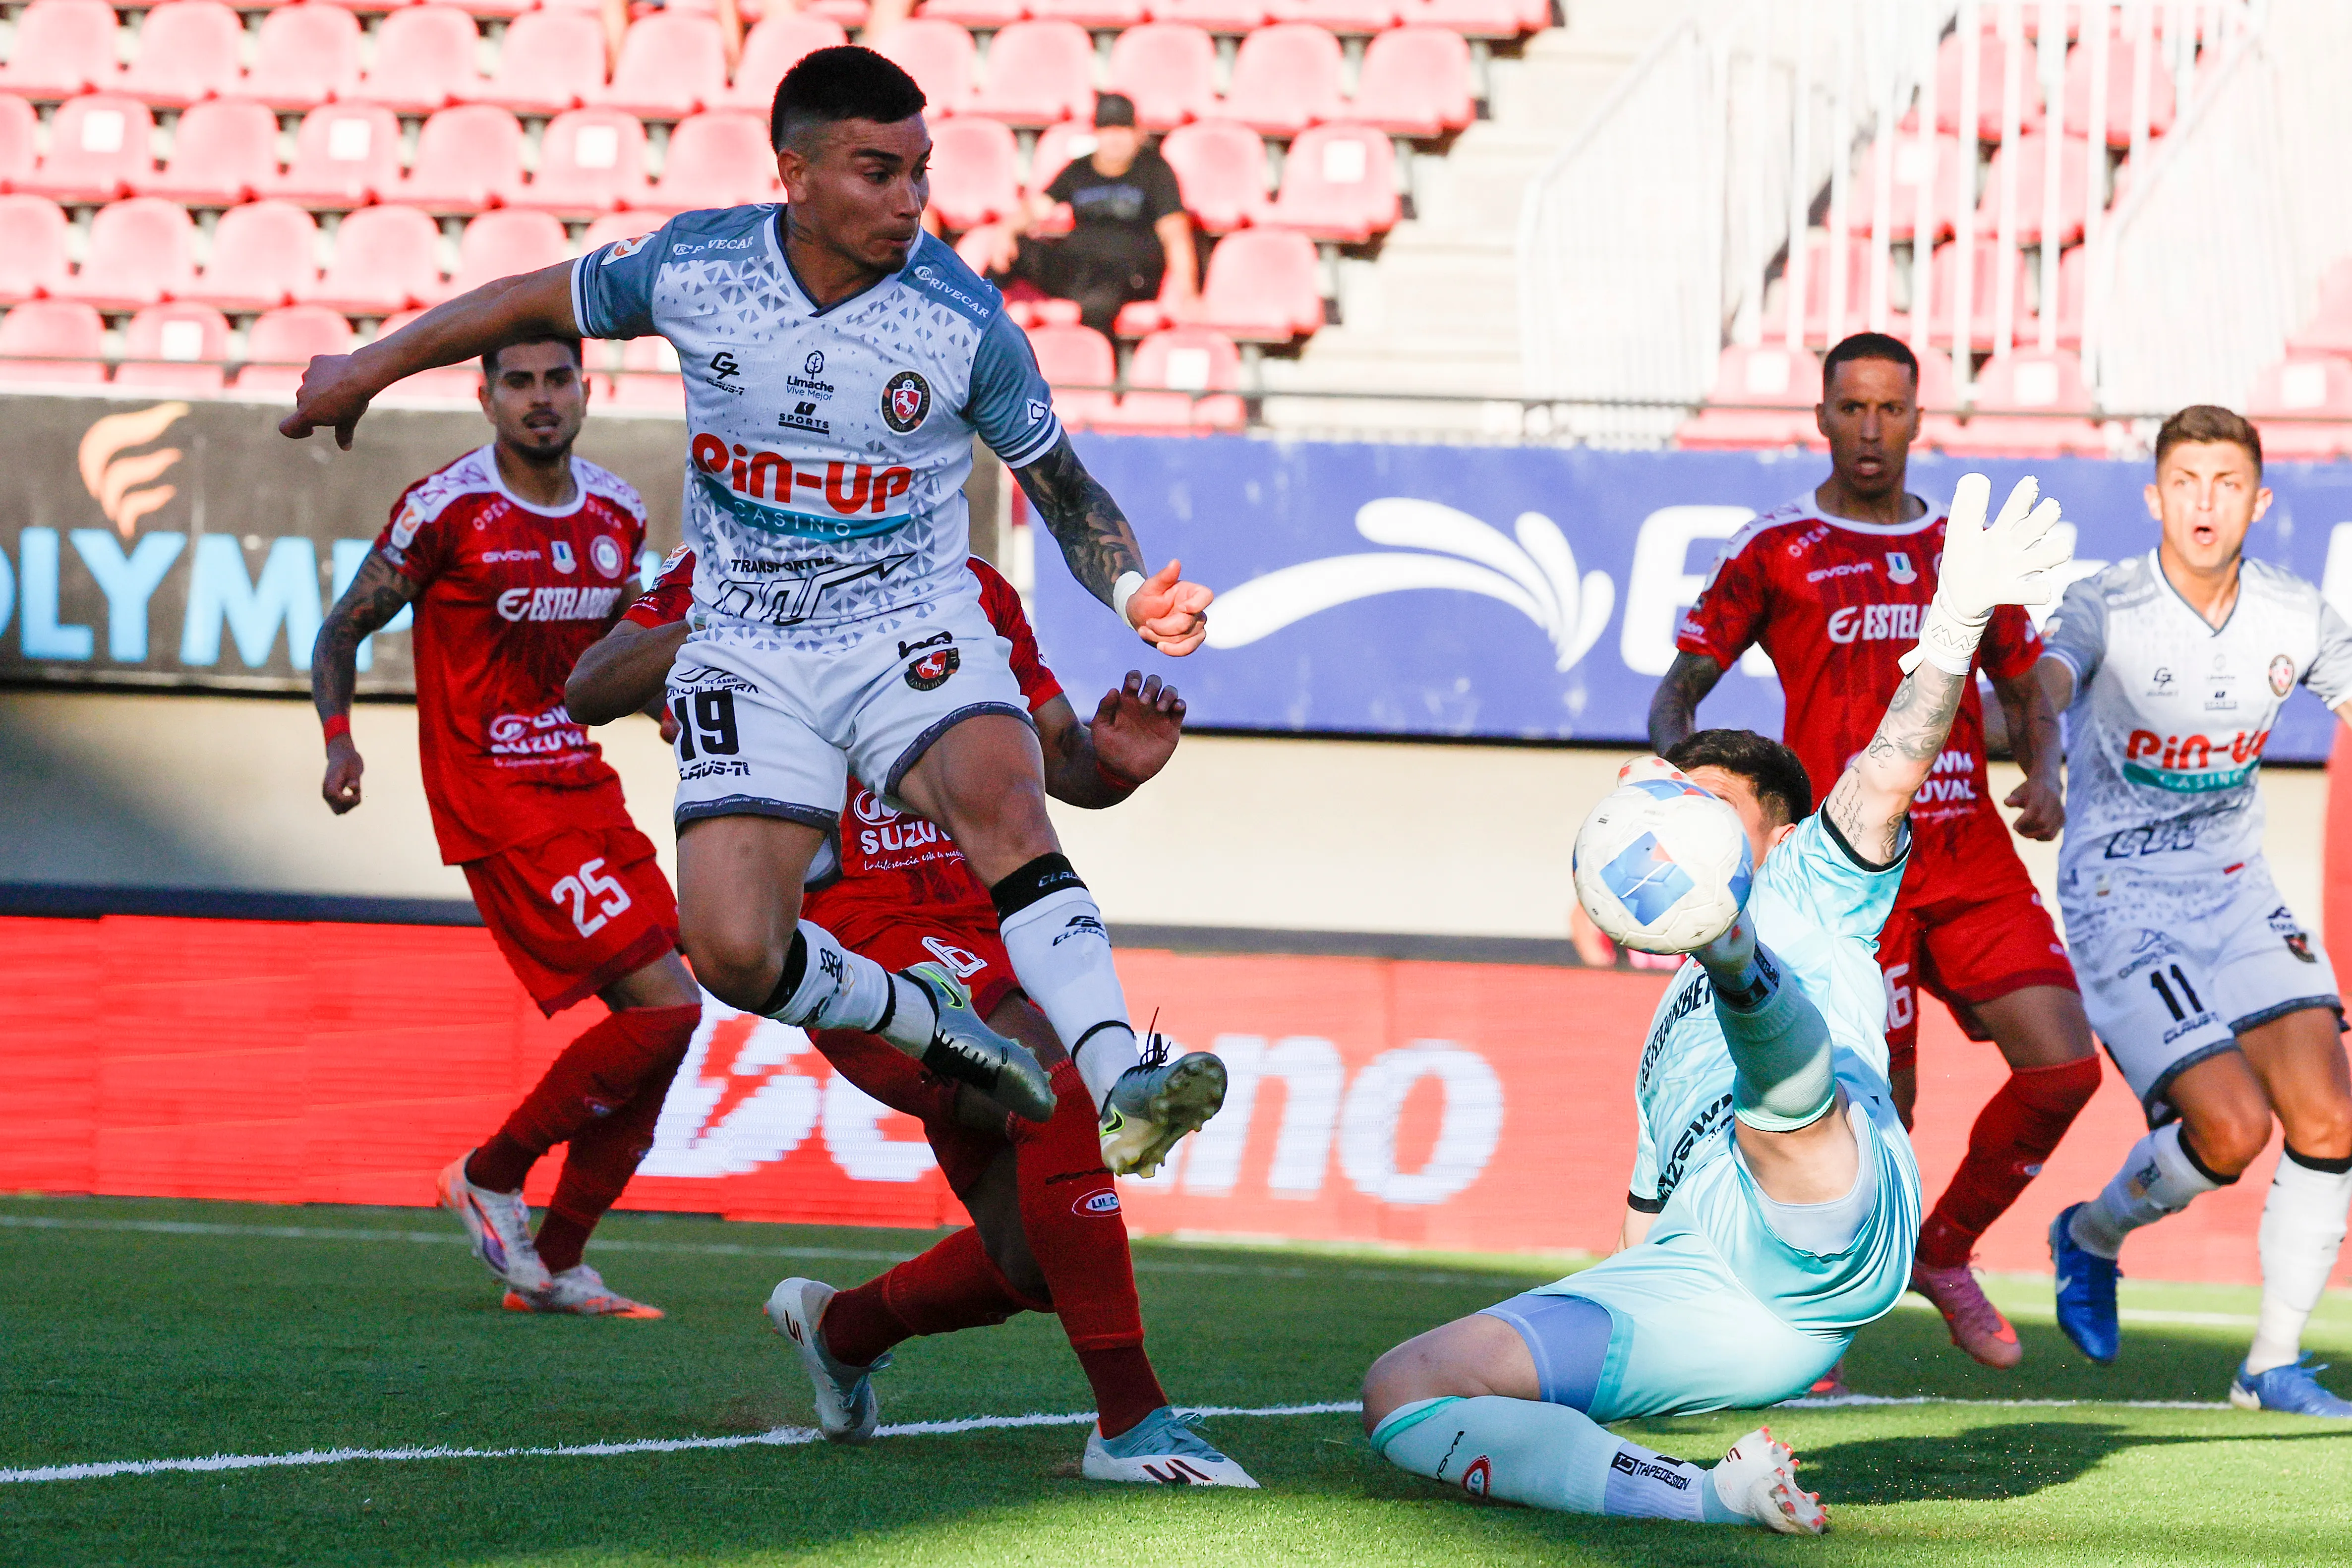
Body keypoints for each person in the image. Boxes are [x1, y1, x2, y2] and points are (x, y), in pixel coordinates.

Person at [280, 47, 1227, 1199]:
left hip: (910, 622)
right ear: (795, 172)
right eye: (876, 172)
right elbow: (521, 298)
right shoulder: (698, 264)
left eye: (919, 173)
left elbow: (1065, 490)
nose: (905, 200)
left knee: (1003, 802)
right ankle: (917, 1017)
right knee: (731, 950)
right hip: (748, 639)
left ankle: (1120, 1067)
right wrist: (367, 367)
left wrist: (1134, 594)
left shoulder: (963, 318)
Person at [1361, 474, 2069, 1535]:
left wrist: (1955, 624)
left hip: (1824, 1216)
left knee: (1775, 1099)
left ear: (1778, 837)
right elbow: (1641, 1224)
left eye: (1711, 809)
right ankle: (1711, 1499)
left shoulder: (1813, 887)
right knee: (1405, 1387)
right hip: (1712, 1293)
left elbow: (1882, 775)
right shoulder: (1658, 1033)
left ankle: (1743, 969)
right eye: (1669, 804)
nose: (1675, 825)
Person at [566, 542, 1257, 1484]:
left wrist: (1113, 765)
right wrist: (736, 624)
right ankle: (1132, 1424)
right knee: (1057, 1096)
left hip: (990, 922)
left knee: (1032, 1258)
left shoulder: (973, 586)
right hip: (854, 932)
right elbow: (591, 683)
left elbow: (1057, 764)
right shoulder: (729, 564)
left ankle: (841, 1328)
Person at [1651, 331, 2101, 1375]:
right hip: (1852, 865)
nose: (1867, 428)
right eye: (1848, 408)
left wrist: (2044, 771)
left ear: (1914, 418)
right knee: (1865, 1109)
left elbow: (2024, 679)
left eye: (1887, 410)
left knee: (2064, 1065)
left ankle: (1941, 1251)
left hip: (1967, 848)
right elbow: (1680, 686)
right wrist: (1690, 790)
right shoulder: (1775, 548)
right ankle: (1818, 1326)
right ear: (1819, 415)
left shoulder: (1959, 546)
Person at [309, 336, 702, 1318]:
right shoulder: (445, 508)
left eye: (555, 380)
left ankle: (558, 1262)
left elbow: (625, 644)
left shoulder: (617, 511)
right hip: (497, 797)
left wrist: (666, 708)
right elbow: (342, 626)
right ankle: (492, 1171)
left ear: (585, 389)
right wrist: (340, 742)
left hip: (586, 788)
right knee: (669, 1008)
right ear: (484, 396)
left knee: (668, 1025)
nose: (539, 399)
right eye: (518, 382)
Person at [2039, 407, 2352, 1417]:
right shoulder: (2107, 603)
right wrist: (2038, 763)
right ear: (2153, 497)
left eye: (2225, 483)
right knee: (2228, 1131)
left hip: (2232, 890)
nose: (2204, 502)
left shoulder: (2292, 613)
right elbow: (2044, 682)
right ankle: (2087, 1235)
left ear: (2258, 501)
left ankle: (2267, 1363)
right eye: (2184, 481)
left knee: (2330, 1115)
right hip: (2117, 897)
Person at [963, 93, 1199, 341]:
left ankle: (1094, 365)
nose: (1115, 140)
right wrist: (1007, 231)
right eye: (1108, 130)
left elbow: (1175, 233)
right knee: (1014, 251)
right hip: (1078, 267)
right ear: (1096, 134)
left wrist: (1189, 293)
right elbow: (1036, 209)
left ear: (1137, 133)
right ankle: (967, 321)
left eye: (1123, 131)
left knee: (1099, 303)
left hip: (1128, 273)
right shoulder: (1079, 170)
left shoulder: (1155, 171)